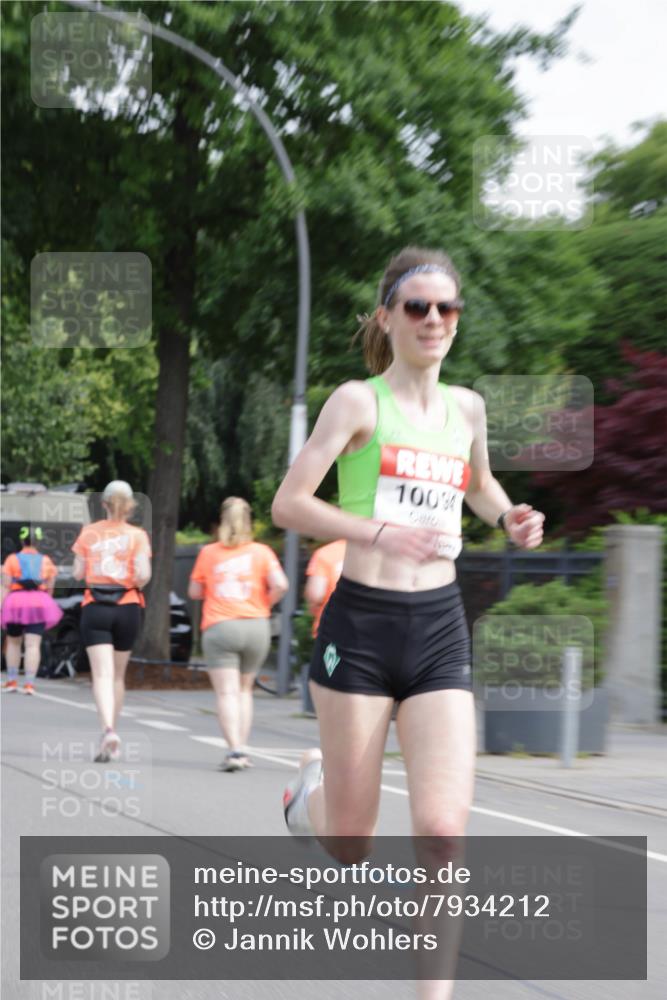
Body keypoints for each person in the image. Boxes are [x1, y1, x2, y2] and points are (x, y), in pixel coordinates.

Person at [272, 247, 544, 999]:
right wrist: (377, 533)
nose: (432, 319)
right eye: (417, 307)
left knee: (443, 834)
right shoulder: (356, 402)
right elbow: (288, 505)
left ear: (456, 320)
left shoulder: (466, 409)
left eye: (445, 308)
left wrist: (508, 515)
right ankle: (307, 798)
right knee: (350, 842)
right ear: (387, 317)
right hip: (359, 629)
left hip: (438, 627)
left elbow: (480, 483)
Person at [188, 497, 289, 772]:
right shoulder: (262, 552)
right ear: (248, 520)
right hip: (256, 625)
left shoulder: (209, 553)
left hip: (221, 626)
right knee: (245, 690)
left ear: (222, 520)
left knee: (227, 693)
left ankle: (233, 750)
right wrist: (264, 603)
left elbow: (194, 592)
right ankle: (243, 748)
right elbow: (281, 584)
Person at [72, 481, 151, 762]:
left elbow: (79, 573)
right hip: (127, 606)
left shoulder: (89, 533)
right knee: (117, 676)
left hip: (96, 607)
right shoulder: (138, 535)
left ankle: (106, 730)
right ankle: (113, 728)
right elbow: (143, 575)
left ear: (103, 504)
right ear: (130, 505)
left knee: (101, 675)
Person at [1, 526, 63, 694]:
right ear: (39, 541)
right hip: (38, 601)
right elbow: (50, 587)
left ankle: (12, 681)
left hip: (15, 602)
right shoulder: (46, 560)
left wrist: (1, 605)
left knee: (13, 642)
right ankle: (29, 684)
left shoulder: (12, 559)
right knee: (33, 644)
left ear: (22, 541)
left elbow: (5, 586)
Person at [304, 539, 346, 636]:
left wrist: (312, 608)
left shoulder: (326, 553)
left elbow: (316, 595)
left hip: (331, 626)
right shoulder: (376, 552)